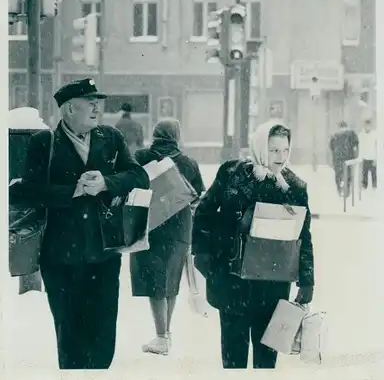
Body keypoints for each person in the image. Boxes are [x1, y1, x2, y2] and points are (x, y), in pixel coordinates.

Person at [17, 78, 150, 369]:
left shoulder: (111, 138)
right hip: (61, 258)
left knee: (102, 339)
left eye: (97, 102)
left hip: (103, 255)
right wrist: (71, 191)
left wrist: (107, 183)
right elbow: (26, 191)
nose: (96, 108)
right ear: (68, 110)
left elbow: (139, 176)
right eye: (88, 102)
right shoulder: (44, 143)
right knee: (70, 340)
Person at [192, 121, 314, 369]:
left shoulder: (295, 187)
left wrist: (307, 280)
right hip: (231, 280)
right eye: (274, 150)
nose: (280, 157)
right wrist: (203, 254)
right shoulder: (232, 173)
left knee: (266, 359)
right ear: (260, 147)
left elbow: (304, 236)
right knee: (233, 357)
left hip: (273, 284)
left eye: (285, 150)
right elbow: (203, 212)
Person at [130, 118, 205, 355]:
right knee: (170, 282)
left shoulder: (141, 158)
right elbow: (197, 196)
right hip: (180, 229)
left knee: (154, 283)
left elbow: (129, 185)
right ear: (176, 136)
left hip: (149, 227)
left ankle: (161, 336)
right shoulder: (188, 163)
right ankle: (166, 333)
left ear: (155, 134)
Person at [329, 121, 359, 196]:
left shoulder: (334, 135)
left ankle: (340, 189)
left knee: (338, 174)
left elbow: (331, 147)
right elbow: (356, 144)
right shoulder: (351, 133)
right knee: (348, 174)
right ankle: (347, 190)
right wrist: (355, 155)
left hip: (337, 158)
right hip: (349, 157)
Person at [358, 119, 377, 190]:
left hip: (372, 158)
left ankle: (374, 187)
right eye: (366, 125)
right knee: (364, 174)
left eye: (369, 126)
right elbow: (360, 147)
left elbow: (377, 146)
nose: (367, 127)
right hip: (364, 158)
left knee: (374, 174)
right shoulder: (361, 135)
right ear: (364, 126)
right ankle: (364, 187)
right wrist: (360, 157)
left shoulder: (375, 134)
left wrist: (376, 158)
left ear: (371, 126)